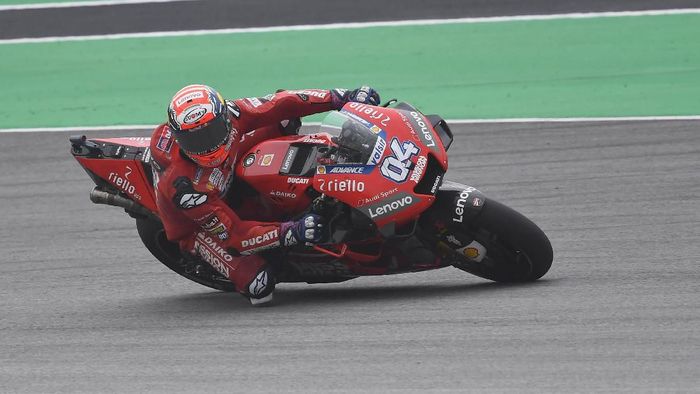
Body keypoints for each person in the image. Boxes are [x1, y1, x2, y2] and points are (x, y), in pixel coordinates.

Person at [149, 84, 380, 305]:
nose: (207, 146)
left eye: (212, 133)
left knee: (284, 118)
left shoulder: (232, 113)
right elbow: (235, 237)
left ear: (224, 119)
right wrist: (291, 231)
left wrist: (340, 97)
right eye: (195, 140)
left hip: (231, 168)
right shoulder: (186, 189)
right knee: (259, 286)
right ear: (179, 138)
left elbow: (280, 103)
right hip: (198, 227)